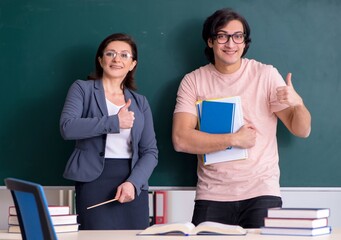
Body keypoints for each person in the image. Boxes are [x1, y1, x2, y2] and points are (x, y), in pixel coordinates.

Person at [172, 8, 311, 228]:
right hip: (212, 194)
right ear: (210, 41)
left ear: (245, 42)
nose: (231, 43)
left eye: (238, 36)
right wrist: (234, 139)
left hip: (262, 192)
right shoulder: (193, 81)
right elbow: (181, 140)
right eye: (222, 36)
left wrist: (298, 104)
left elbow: (301, 130)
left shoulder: (265, 74)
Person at [60, 33, 158, 230]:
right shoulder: (82, 89)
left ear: (132, 64)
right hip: (93, 181)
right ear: (100, 59)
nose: (116, 59)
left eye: (124, 55)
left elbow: (150, 152)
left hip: (132, 181)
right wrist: (114, 122)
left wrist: (133, 183)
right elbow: (67, 127)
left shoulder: (140, 102)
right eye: (110, 53)